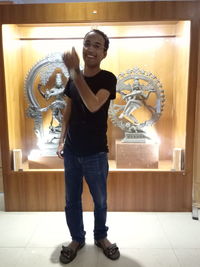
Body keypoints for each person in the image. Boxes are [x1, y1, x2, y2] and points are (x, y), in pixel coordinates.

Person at [57, 29, 120, 264]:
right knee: (71, 199)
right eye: (87, 44)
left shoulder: (108, 79)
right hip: (72, 151)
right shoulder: (72, 80)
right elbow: (68, 112)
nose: (90, 49)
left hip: (96, 152)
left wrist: (74, 73)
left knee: (100, 199)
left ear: (104, 53)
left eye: (97, 46)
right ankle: (76, 239)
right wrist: (61, 139)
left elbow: (93, 105)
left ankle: (101, 237)